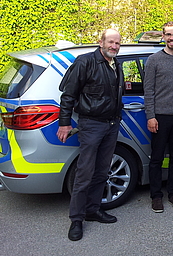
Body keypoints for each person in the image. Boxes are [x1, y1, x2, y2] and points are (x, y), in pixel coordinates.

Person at [57, 28, 124, 242]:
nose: (114, 46)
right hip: (91, 124)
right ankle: (76, 219)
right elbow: (68, 95)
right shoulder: (85, 62)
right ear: (101, 42)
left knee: (102, 171)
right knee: (84, 173)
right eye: (111, 42)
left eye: (117, 43)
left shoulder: (116, 63)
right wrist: (65, 123)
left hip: (111, 124)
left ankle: (93, 210)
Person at [144, 22, 173, 213]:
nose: (172, 38)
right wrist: (151, 116)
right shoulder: (154, 60)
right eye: (168, 34)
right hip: (160, 118)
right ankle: (156, 196)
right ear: (163, 36)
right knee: (156, 158)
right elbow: (149, 90)